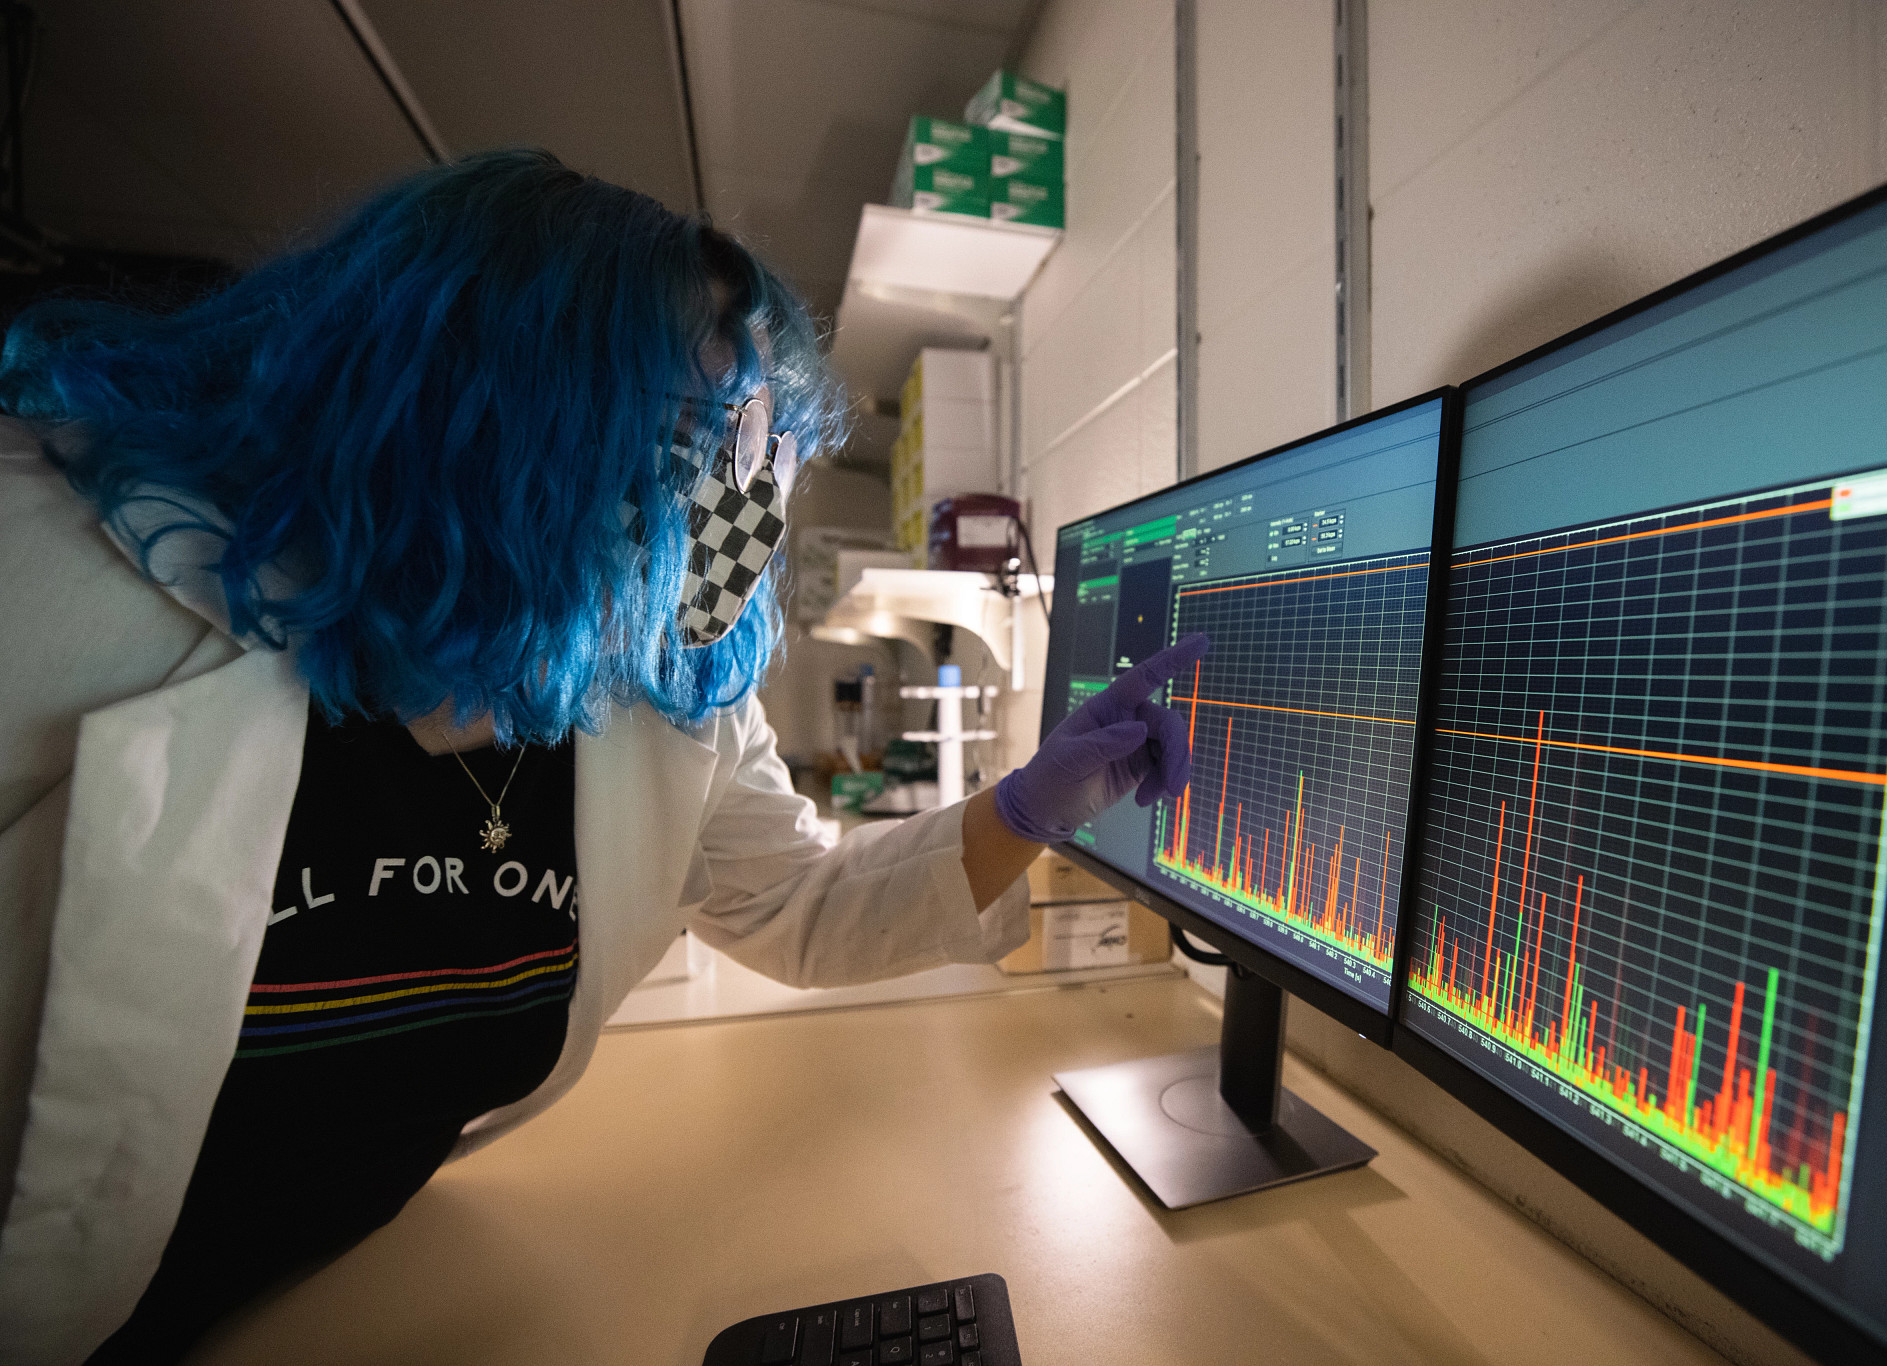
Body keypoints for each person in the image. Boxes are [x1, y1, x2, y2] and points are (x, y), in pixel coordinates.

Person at [0, 150, 1204, 1365]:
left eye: (758, 480)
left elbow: (796, 902)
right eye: (702, 455)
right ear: (484, 409)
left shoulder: (653, 695)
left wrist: (1026, 806)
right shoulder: (48, 583)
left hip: (326, 1287)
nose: (734, 531)